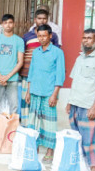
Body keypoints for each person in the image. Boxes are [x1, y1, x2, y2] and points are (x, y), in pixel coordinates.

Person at [25, 24, 65, 164]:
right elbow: (31, 73)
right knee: (33, 122)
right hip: (35, 91)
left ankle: (50, 150)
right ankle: (34, 146)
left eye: (44, 36)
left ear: (50, 36)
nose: (41, 38)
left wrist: (55, 94)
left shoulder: (57, 52)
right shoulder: (36, 52)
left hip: (49, 93)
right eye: (39, 36)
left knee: (49, 123)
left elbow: (60, 76)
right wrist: (28, 91)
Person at [19, 9, 60, 126]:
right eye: (39, 18)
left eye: (44, 18)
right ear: (35, 19)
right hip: (28, 74)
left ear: (48, 20)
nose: (42, 21)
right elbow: (22, 54)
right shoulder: (27, 36)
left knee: (43, 103)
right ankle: (27, 126)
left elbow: (56, 55)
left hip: (46, 76)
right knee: (26, 101)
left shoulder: (53, 36)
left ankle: (40, 127)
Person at [67, 29, 95, 170]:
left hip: (88, 106)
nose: (85, 41)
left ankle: (94, 167)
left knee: (91, 140)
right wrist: (69, 102)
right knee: (77, 138)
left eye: (89, 38)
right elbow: (75, 82)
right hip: (75, 104)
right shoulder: (79, 58)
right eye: (84, 38)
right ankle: (81, 165)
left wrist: (94, 107)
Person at [0, 14, 24, 114]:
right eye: (5, 23)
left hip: (12, 78)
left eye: (10, 23)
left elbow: (20, 61)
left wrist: (7, 76)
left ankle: (12, 129)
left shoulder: (19, 40)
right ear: (2, 25)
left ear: (14, 24)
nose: (8, 25)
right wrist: (0, 76)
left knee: (14, 106)